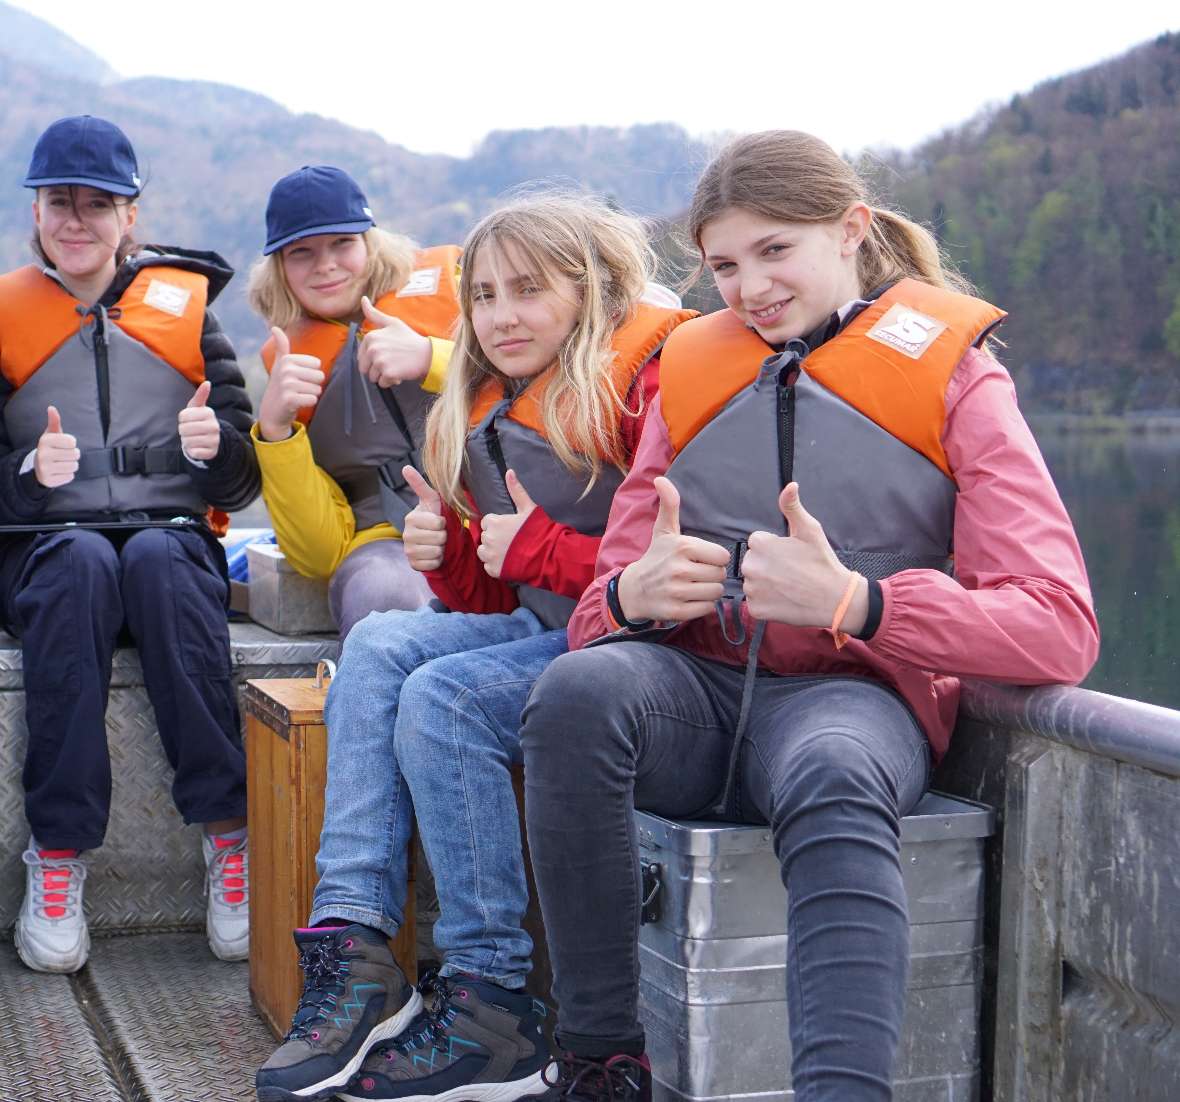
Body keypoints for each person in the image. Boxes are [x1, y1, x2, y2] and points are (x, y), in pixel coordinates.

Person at [516, 130, 1101, 1102]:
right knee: (573, 692)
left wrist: (857, 602)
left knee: (832, 767)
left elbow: (1056, 626)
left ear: (851, 230)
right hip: (694, 699)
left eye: (774, 250)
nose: (748, 287)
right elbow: (591, 616)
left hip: (851, 703)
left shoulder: (956, 378)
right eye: (723, 265)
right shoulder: (691, 373)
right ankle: (601, 1063)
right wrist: (633, 596)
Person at [254, 193, 695, 1102]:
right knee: (378, 639)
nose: (500, 316)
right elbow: (494, 591)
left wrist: (532, 549)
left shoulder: (651, 379)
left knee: (445, 699)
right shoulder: (484, 397)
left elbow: (669, 572)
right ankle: (358, 943)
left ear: (595, 286)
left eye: (528, 291)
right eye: (484, 296)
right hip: (543, 626)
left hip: (638, 649)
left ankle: (493, 995)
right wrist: (450, 553)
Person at [0, 115, 260, 972]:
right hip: (45, 554)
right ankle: (59, 855)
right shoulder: (4, 318)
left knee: (153, 556)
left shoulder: (189, 319)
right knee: (77, 560)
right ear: (36, 212)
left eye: (96, 206)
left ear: (130, 217)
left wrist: (214, 451)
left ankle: (229, 839)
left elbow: (241, 480)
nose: (77, 221)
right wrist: (29, 476)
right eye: (59, 203)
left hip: (168, 550)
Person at [248, 165, 462, 638]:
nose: (324, 265)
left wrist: (434, 357)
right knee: (385, 597)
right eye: (301, 252)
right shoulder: (286, 363)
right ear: (279, 269)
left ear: (370, 243)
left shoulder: (459, 291)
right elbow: (319, 555)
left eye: (342, 244)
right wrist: (276, 432)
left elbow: (530, 383)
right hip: (388, 544)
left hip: (488, 518)